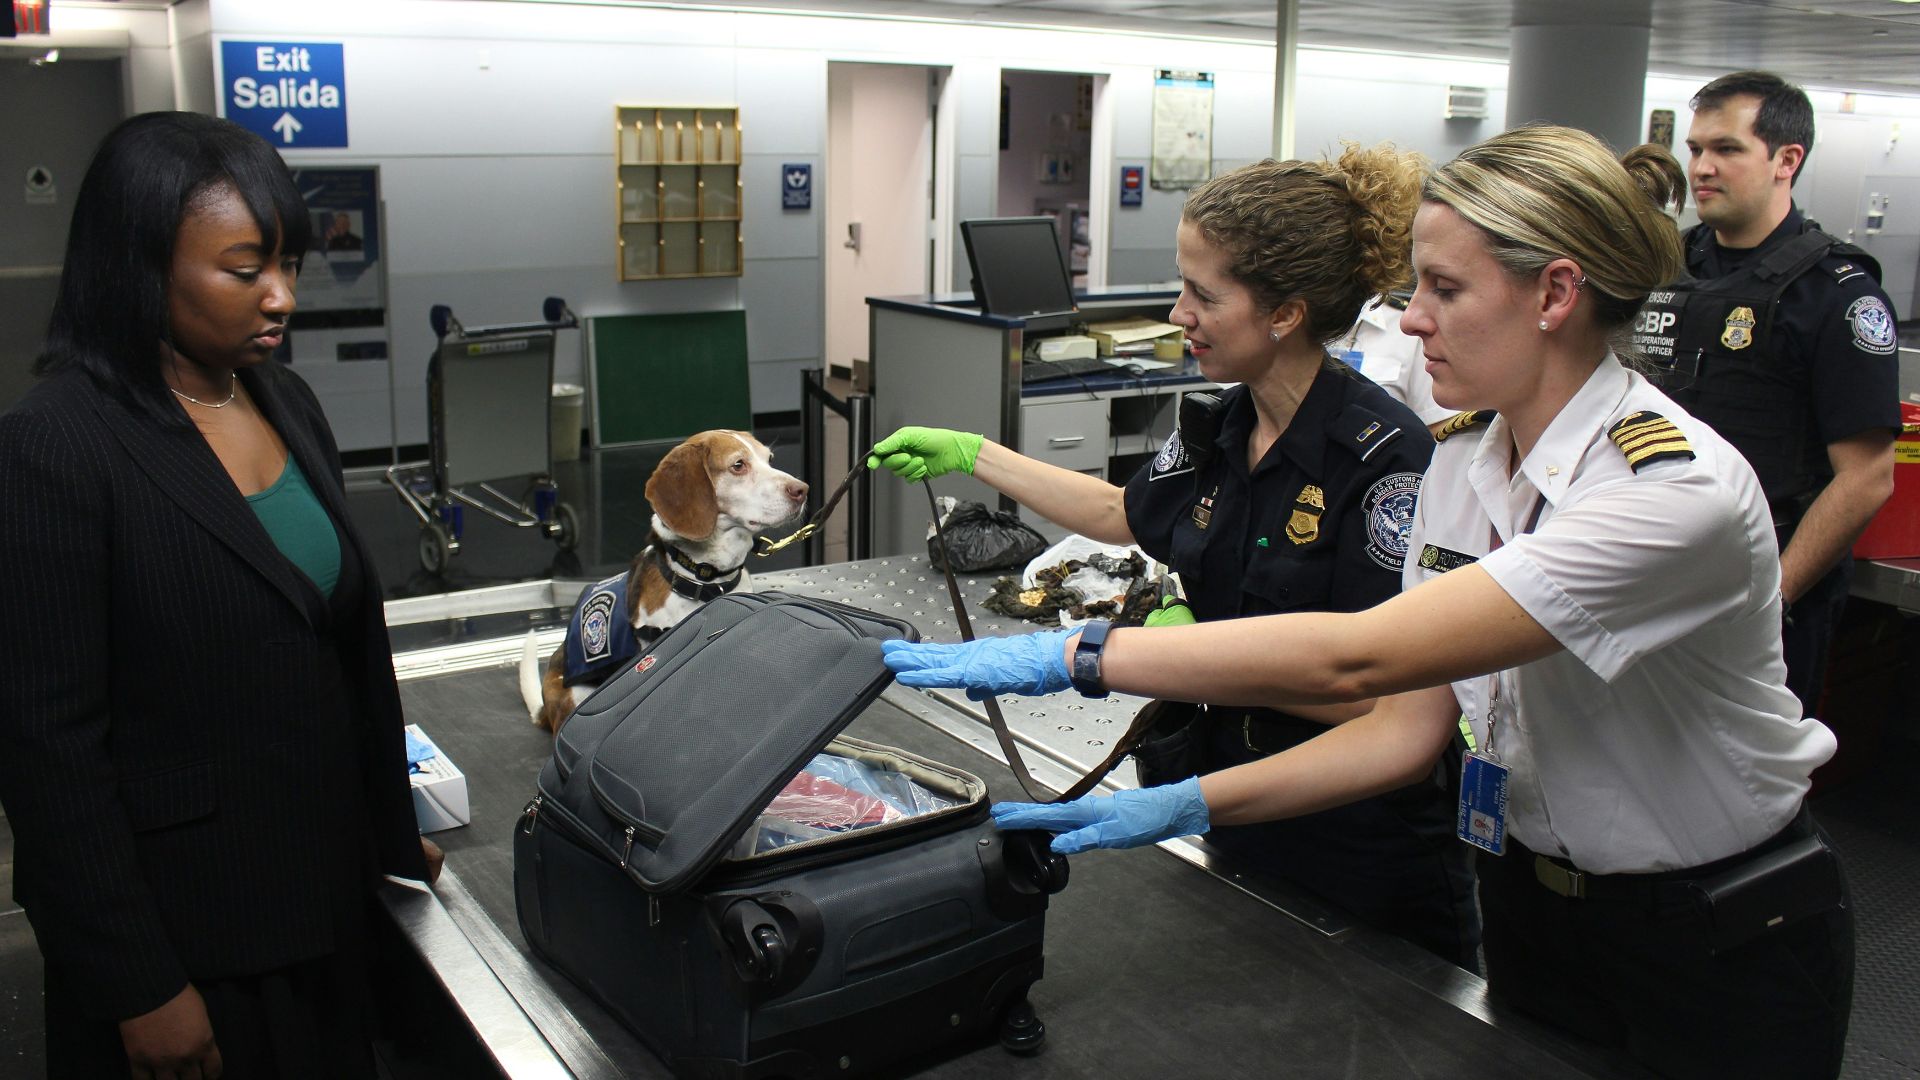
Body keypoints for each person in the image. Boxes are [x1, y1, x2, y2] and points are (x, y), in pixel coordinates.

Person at [882, 126, 1853, 1080]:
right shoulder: (1468, 465)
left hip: (1708, 933)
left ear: (1556, 292)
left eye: (1445, 287)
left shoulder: (1665, 491)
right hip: (1530, 906)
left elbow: (1362, 659)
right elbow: (1402, 729)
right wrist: (1182, 805)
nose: (1412, 317)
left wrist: (1081, 657)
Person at [868, 147, 1480, 969]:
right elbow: (1126, 514)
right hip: (1228, 802)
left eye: (1203, 293)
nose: (1177, 312)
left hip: (1351, 848)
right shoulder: (1221, 425)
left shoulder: (1385, 463)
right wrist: (973, 452)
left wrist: (1160, 657)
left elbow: (1381, 707)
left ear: (1285, 314)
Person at [0, 112, 438, 1079]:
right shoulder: (56, 446)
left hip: (326, 905)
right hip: (193, 942)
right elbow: (48, 753)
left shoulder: (282, 399)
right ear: (138, 264)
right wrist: (137, 984)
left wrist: (390, 837)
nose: (281, 296)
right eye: (245, 270)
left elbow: (340, 652)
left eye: (288, 261)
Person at [1640, 71, 1899, 717]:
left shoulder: (1836, 294)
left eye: (1726, 149)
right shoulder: (1660, 268)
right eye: (1696, 149)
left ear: (1788, 160)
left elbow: (1866, 477)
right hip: (1648, 565)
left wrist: (1772, 599)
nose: (1701, 167)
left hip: (1760, 585)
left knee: (1748, 788)